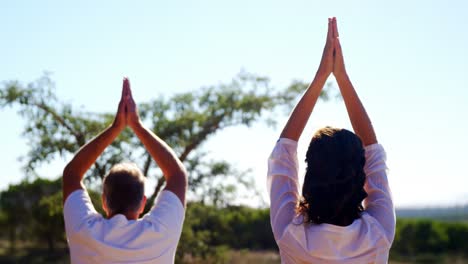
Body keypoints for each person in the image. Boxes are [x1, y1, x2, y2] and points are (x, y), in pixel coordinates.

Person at [267, 17, 395, 263]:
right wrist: (342, 77)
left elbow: (282, 154)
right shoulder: (378, 234)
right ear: (360, 174)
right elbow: (374, 153)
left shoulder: (292, 236)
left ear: (311, 174)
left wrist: (320, 77)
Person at [62, 78, 187, 263]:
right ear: (142, 203)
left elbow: (71, 174)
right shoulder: (160, 233)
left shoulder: (85, 231)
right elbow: (177, 175)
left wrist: (115, 128)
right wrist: (138, 126)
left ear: (104, 201)